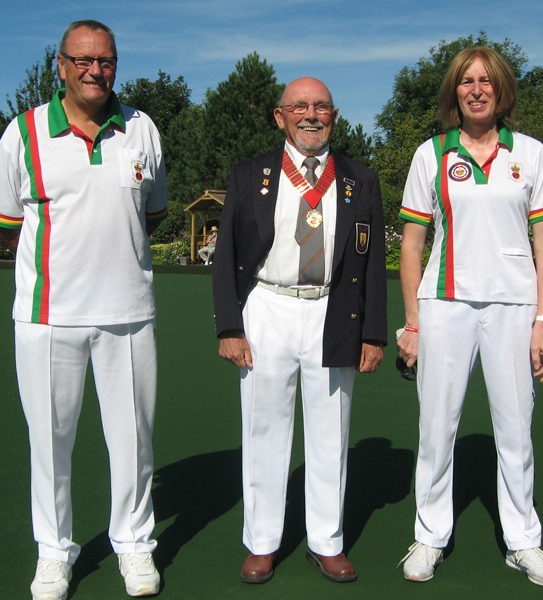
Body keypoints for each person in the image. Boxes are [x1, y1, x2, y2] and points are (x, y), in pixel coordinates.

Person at [0, 20, 167, 600]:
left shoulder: (142, 129)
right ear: (60, 65)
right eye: (83, 60)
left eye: (107, 60)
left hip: (129, 314)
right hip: (46, 317)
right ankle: (53, 553)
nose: (96, 71)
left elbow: (153, 212)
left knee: (134, 442)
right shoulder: (23, 133)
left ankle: (135, 547)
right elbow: (8, 224)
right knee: (50, 443)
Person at [396, 47, 543, 587]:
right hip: (444, 304)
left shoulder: (531, 153)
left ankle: (523, 541)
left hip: (515, 309)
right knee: (436, 427)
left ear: (502, 90)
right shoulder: (431, 154)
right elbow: (412, 245)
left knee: (515, 429)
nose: (476, 89)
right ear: (454, 91)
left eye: (486, 81)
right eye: (466, 81)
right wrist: (412, 323)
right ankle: (429, 536)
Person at [213, 77, 386, 584]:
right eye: (300, 107)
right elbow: (226, 257)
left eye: (321, 107)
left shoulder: (359, 178)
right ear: (280, 116)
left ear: (334, 114)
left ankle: (326, 541)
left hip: (334, 312)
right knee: (265, 431)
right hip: (268, 307)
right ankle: (262, 542)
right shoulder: (251, 175)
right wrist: (229, 325)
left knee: (331, 432)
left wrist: (373, 333)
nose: (311, 115)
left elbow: (374, 261)